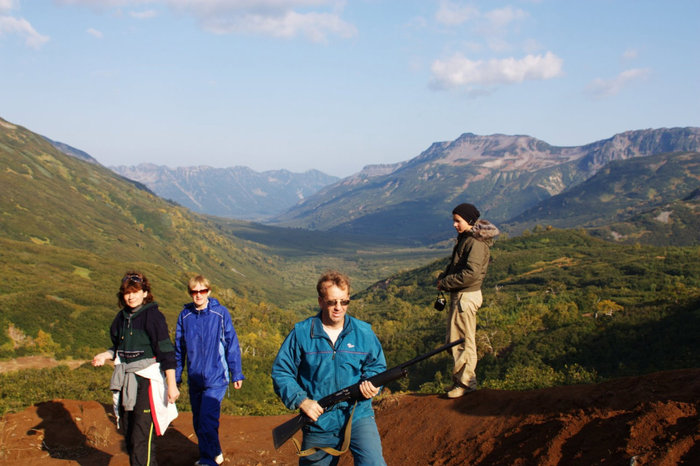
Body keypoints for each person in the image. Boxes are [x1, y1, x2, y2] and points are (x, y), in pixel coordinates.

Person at [271, 271, 387, 466]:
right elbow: (281, 372)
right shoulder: (301, 333)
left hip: (358, 413)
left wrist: (373, 384)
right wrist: (302, 401)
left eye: (344, 302)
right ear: (320, 301)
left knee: (374, 463)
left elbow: (377, 367)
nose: (338, 308)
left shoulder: (364, 332)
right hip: (319, 420)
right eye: (332, 302)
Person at [92, 271, 179, 466]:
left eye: (135, 291)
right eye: (126, 293)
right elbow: (119, 348)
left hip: (146, 381)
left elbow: (166, 351)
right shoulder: (121, 318)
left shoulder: (153, 317)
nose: (131, 296)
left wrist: (172, 385)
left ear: (145, 292)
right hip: (126, 381)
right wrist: (105, 355)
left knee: (141, 436)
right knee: (129, 432)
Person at [174, 275, 244, 466]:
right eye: (194, 292)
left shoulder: (220, 314)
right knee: (198, 422)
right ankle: (215, 451)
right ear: (190, 293)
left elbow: (232, 344)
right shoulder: (185, 316)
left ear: (209, 291)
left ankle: (207, 461)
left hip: (216, 378)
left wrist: (236, 372)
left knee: (206, 420)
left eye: (202, 291)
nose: (198, 295)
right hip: (195, 378)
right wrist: (176, 375)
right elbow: (179, 348)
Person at [437, 203, 499, 398]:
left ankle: (466, 384)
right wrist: (445, 278)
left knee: (463, 341)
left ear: (470, 221)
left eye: (458, 221)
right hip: (461, 295)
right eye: (454, 220)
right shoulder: (466, 239)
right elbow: (458, 265)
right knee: (455, 340)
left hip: (466, 296)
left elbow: (471, 274)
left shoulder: (475, 243)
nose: (454, 224)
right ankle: (460, 381)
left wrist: (446, 282)